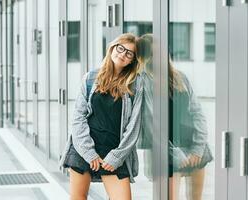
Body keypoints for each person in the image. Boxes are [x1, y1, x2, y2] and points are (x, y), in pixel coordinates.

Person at [59, 33, 143, 200]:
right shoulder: (91, 77)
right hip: (84, 147)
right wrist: (89, 152)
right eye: (121, 48)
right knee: (78, 197)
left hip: (113, 151)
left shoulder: (136, 83)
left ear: (133, 60)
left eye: (129, 53)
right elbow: (78, 118)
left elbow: (134, 125)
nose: (123, 54)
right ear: (112, 48)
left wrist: (117, 156)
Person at [136, 34, 213, 200]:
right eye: (153, 54)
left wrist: (198, 148)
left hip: (193, 144)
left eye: (162, 52)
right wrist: (176, 154)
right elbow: (150, 125)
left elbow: (197, 112)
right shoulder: (142, 82)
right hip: (165, 149)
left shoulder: (180, 77)